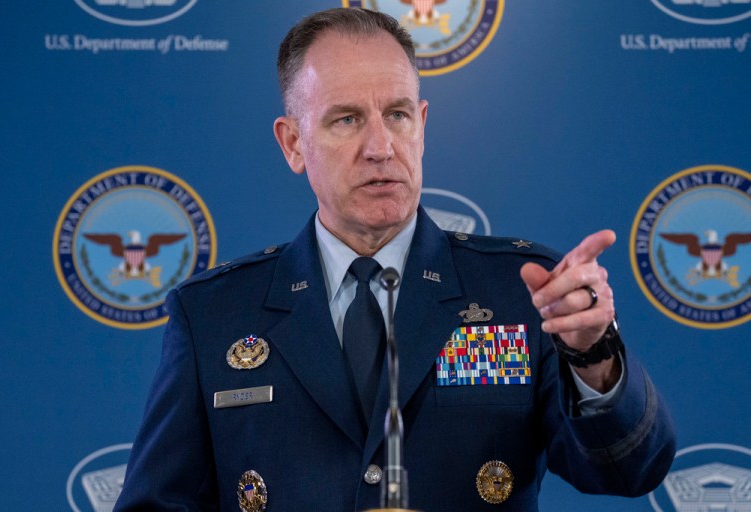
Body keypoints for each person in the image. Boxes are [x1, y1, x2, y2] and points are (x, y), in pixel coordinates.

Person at [114, 8, 675, 512]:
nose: (381, 147)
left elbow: (630, 470)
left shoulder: (522, 292)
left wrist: (593, 357)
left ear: (422, 126)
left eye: (398, 115)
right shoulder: (214, 315)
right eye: (346, 119)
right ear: (293, 143)